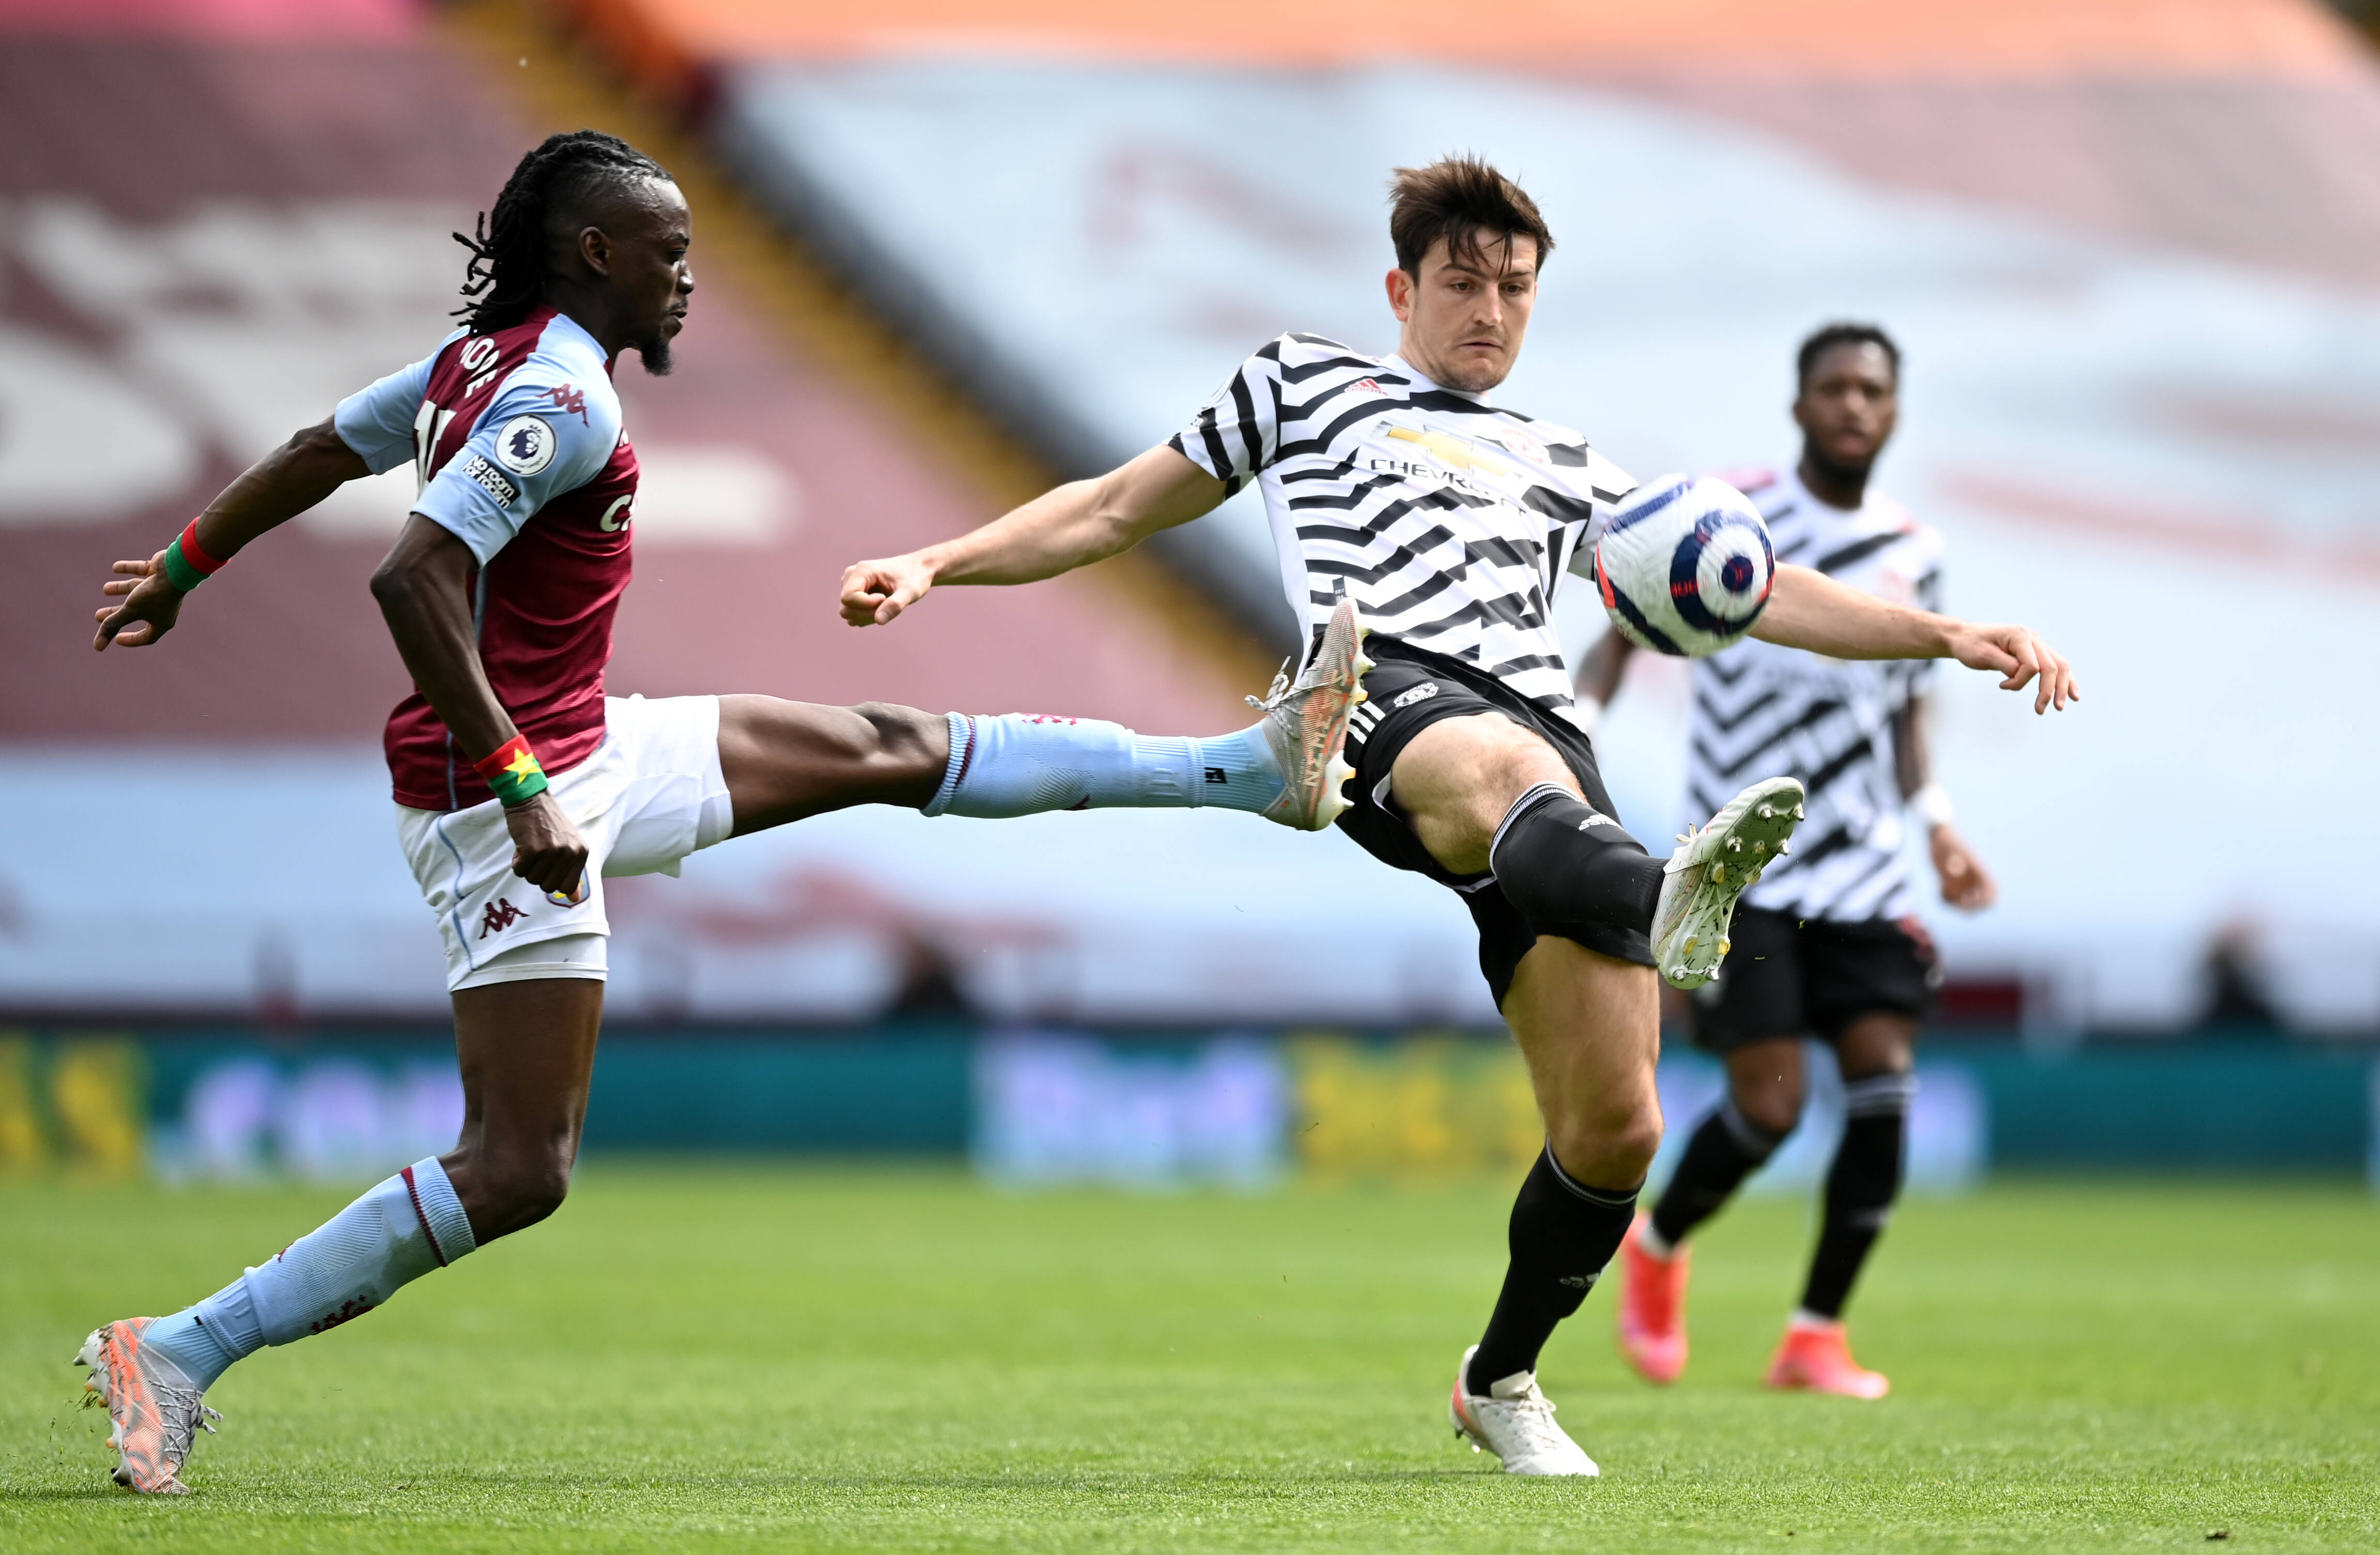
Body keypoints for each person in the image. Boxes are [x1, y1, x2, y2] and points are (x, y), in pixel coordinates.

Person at [73, 130, 1367, 1497]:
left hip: (584, 748)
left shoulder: (480, 364)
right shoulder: (558, 397)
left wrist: (179, 566)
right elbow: (412, 581)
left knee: (885, 744)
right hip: (503, 792)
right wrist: (517, 785)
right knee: (519, 1167)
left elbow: (314, 449)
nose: (688, 281)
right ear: (594, 256)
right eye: (669, 255)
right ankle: (174, 1347)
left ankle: (1250, 769)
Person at [838, 162, 2076, 1474]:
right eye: (1463, 282)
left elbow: (1759, 588)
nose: (1490, 309)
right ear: (1400, 288)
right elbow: (1108, 507)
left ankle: (1500, 1376)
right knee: (1488, 768)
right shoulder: (1301, 379)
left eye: (1515, 288)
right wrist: (935, 561)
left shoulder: (1561, 459)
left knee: (1618, 1129)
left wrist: (1942, 632)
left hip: (1553, 759)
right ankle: (1662, 897)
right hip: (1374, 694)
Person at [1585, 322, 1998, 1399]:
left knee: (1881, 1093)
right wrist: (1568, 733)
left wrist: (1939, 821)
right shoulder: (1727, 512)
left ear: (1893, 410)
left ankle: (1813, 1333)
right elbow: (1626, 621)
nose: (1852, 405)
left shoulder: (1918, 547)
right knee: (1768, 1107)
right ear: (1797, 403)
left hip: (1865, 868)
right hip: (1744, 863)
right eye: (1833, 388)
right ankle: (1660, 1242)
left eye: (1871, 390)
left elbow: (1908, 710)